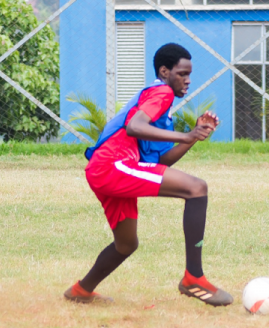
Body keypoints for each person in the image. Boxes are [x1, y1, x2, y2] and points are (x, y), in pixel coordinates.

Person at [65, 43, 233, 306]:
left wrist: (194, 135)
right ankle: (194, 278)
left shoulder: (159, 111)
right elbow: (134, 127)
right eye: (182, 74)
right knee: (197, 188)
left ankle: (80, 290)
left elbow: (163, 160)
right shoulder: (161, 92)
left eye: (190, 75)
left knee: (126, 244)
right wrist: (186, 134)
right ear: (164, 71)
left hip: (105, 169)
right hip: (113, 164)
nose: (187, 81)